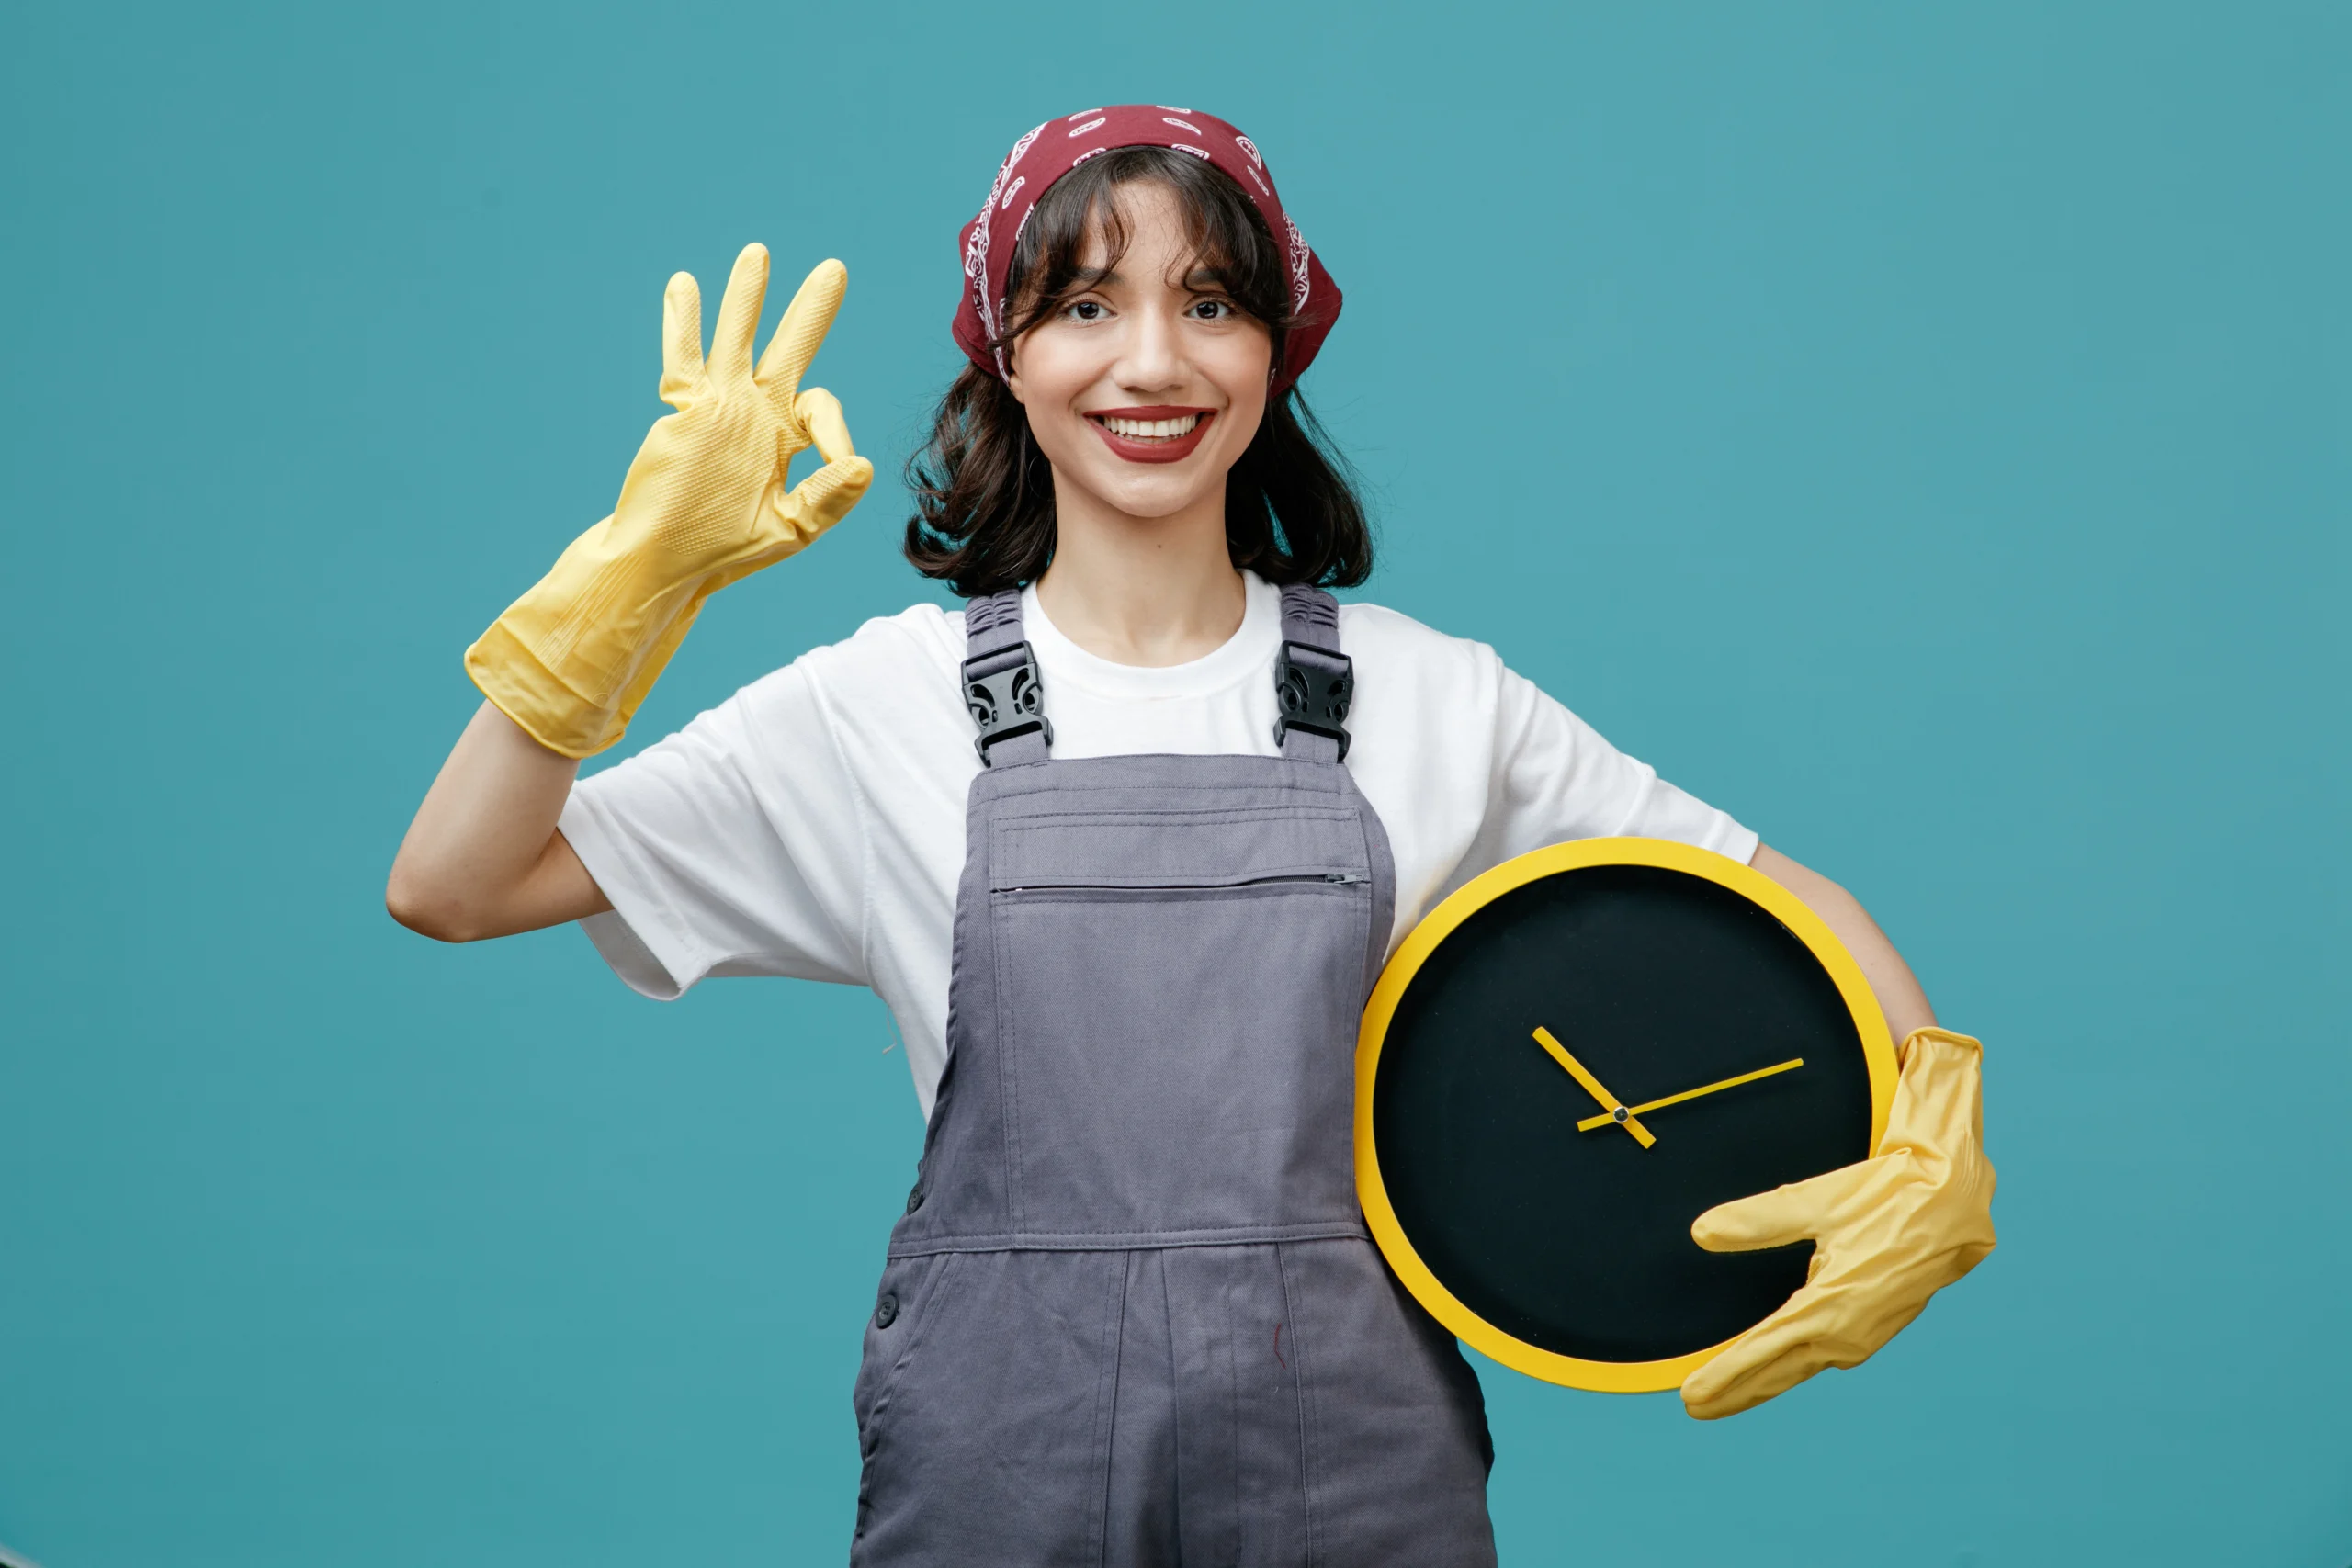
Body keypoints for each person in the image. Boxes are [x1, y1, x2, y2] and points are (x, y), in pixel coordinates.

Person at [388, 106, 1994, 1564]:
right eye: (1084, 305)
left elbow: (1787, 900)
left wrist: (1930, 1115)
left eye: (1208, 305)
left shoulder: (1433, 699)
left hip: (1350, 1471)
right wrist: (620, 594)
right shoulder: (875, 707)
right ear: (1003, 353)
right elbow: (455, 884)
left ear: (1274, 351)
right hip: (995, 1465)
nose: (1150, 362)